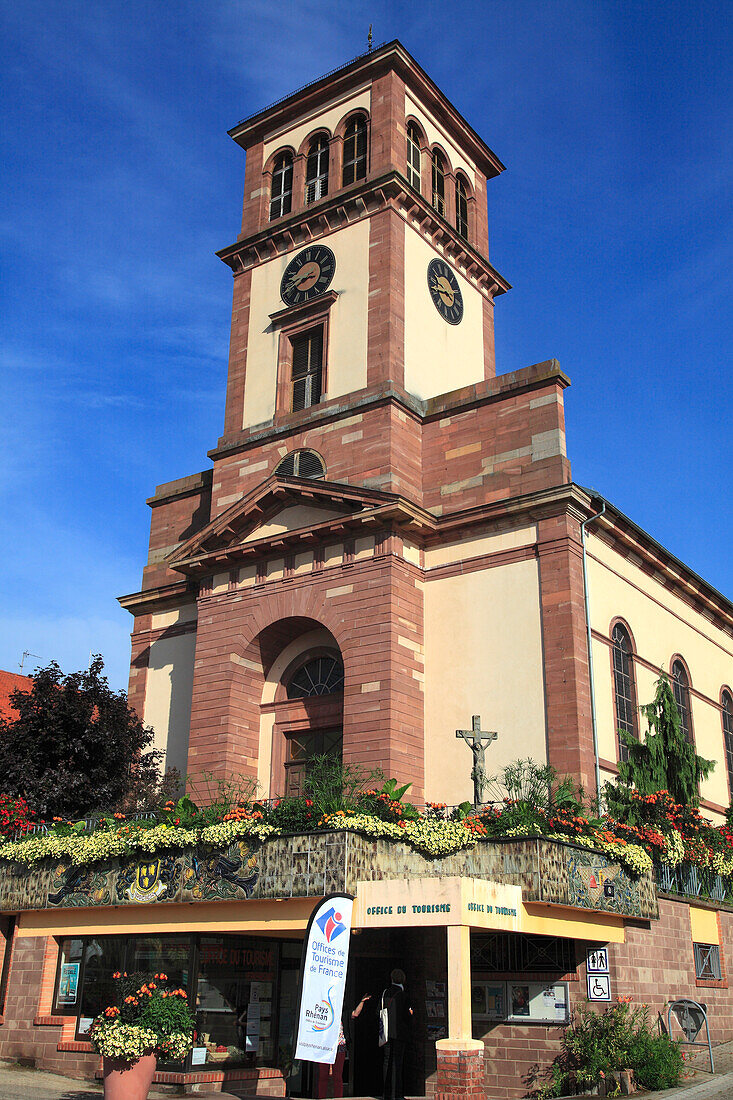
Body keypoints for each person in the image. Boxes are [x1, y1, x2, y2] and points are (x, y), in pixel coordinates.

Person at [314, 993, 371, 1098]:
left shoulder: (344, 1013)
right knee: (323, 1075)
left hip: (339, 1047)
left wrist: (362, 1002)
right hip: (324, 1047)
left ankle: (338, 1097)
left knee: (337, 1076)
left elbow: (355, 1014)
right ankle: (321, 1097)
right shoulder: (323, 1013)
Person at [381, 969, 413, 1100]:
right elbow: (408, 1015)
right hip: (399, 1034)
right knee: (397, 1063)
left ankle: (386, 1094)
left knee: (387, 1062)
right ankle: (397, 1094)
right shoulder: (404, 995)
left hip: (386, 1033)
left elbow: (378, 1011)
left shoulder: (385, 993)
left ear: (391, 978)